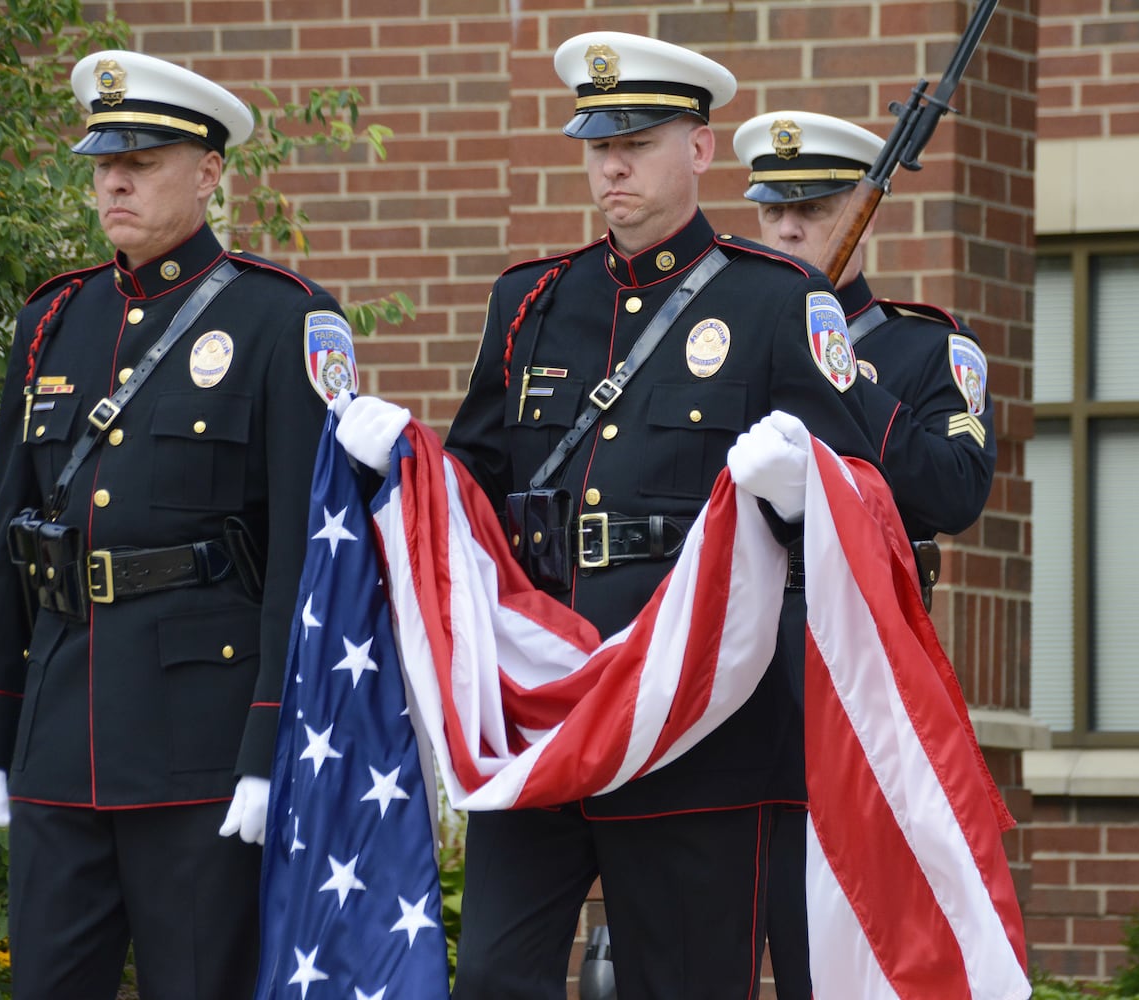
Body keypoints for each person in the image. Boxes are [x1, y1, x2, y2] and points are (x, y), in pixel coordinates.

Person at [338, 31, 879, 1000]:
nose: (612, 165)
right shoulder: (533, 300)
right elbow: (476, 486)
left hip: (696, 712)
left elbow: (857, 508)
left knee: (681, 980)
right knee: (498, 973)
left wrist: (802, 494)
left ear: (700, 150)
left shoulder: (774, 300)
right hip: (543, 702)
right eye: (597, 145)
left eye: (636, 141)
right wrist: (403, 472)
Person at [0, 50, 356, 999]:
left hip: (200, 747)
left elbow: (306, 554)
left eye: (144, 160)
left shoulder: (280, 318)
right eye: (102, 163)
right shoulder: (54, 321)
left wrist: (269, 748)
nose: (115, 181)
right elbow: (14, 532)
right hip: (58, 732)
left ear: (210, 172)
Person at [732, 108, 997, 998]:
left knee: (837, 945)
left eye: (814, 206)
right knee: (699, 933)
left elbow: (953, 492)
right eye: (774, 211)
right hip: (731, 652)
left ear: (859, 213)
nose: (790, 228)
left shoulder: (925, 351)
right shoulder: (724, 345)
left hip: (853, 663)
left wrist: (840, 372)